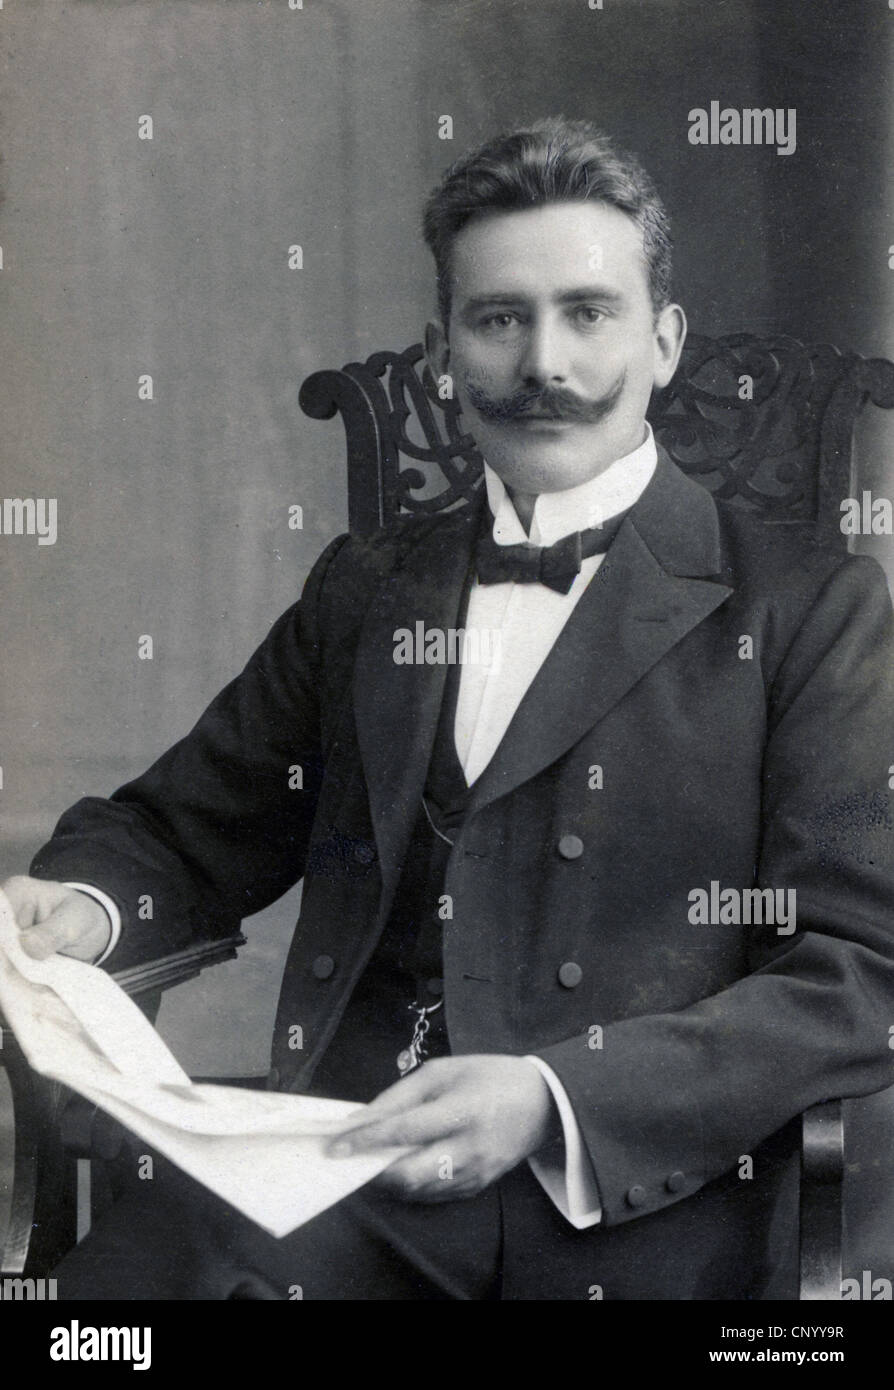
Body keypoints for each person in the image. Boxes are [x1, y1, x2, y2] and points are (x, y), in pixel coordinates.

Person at [5, 117, 894, 1300]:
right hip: (350, 1177)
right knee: (94, 1325)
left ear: (665, 340)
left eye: (589, 312)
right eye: (499, 319)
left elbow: (860, 971)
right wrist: (86, 909)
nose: (545, 364)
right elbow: (178, 830)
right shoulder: (370, 589)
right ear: (443, 354)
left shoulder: (811, 606)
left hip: (647, 1210)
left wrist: (553, 1097)